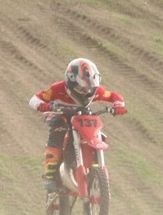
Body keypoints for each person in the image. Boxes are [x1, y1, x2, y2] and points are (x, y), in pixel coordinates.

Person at [29, 59, 127, 191]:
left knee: (100, 135)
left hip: (83, 117)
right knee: (57, 133)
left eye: (90, 88)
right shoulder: (57, 89)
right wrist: (43, 105)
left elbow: (114, 96)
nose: (86, 91)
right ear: (70, 82)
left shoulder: (97, 91)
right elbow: (34, 99)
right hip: (60, 114)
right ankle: (50, 175)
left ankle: (94, 169)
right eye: (82, 88)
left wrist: (118, 105)